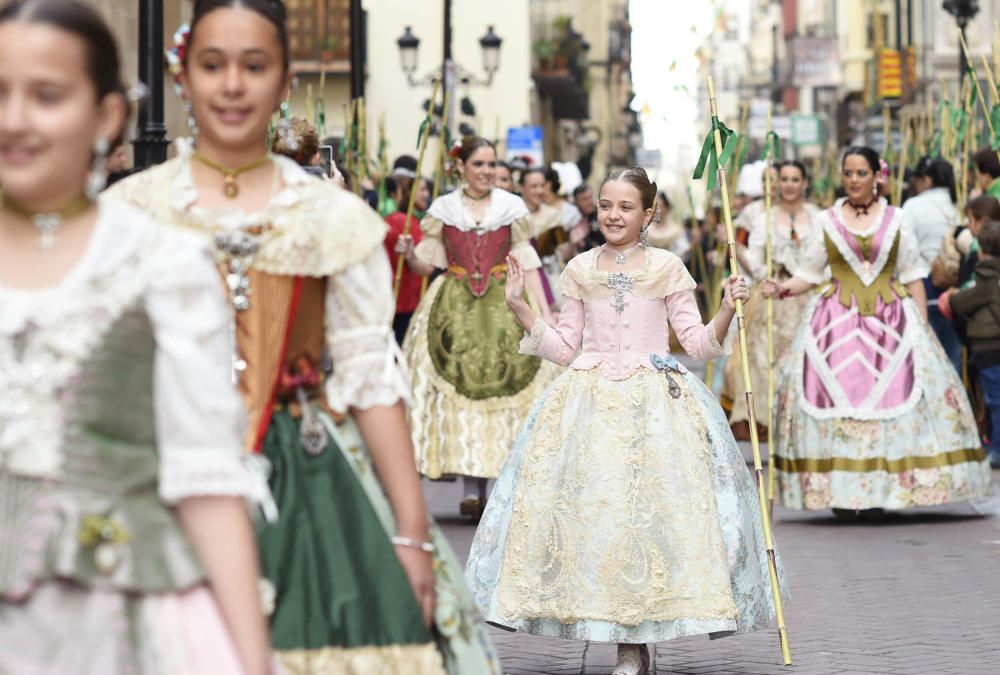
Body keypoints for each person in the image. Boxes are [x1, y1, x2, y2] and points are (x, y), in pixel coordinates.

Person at [108, 2, 498, 672]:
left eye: (254, 66)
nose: (232, 85)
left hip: (305, 473)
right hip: (158, 471)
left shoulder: (331, 218)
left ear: (284, 81)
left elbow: (368, 370)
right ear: (183, 78)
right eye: (212, 65)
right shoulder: (130, 212)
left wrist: (410, 534)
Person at [0, 1, 274, 672]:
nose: (14, 120)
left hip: (105, 618)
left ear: (108, 115)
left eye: (46, 96)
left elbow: (206, 479)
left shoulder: (161, 266)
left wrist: (253, 658)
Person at [466, 167, 786, 675]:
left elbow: (699, 344)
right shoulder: (578, 269)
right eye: (606, 206)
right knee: (596, 517)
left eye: (626, 207)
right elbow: (565, 348)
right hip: (587, 404)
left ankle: (635, 643)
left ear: (648, 214)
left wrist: (726, 308)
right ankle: (602, 624)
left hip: (654, 405)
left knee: (646, 519)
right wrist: (520, 306)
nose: (613, 215)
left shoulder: (668, 268)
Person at [761, 147, 992, 514]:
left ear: (876, 177)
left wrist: (921, 327)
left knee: (898, 400)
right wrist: (781, 288)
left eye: (861, 173)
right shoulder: (827, 220)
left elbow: (914, 274)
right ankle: (840, 492)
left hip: (893, 321)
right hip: (834, 323)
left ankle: (886, 491)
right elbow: (809, 272)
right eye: (848, 173)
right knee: (838, 402)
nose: (853, 180)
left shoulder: (898, 218)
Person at [396, 136, 556, 520]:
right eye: (479, 164)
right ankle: (470, 490)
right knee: (458, 392)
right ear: (461, 167)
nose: (486, 172)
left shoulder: (512, 208)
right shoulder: (443, 208)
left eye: (490, 165)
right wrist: (409, 254)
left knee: (509, 384)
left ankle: (500, 485)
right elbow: (426, 265)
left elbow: (527, 262)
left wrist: (545, 315)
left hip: (505, 302)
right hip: (453, 305)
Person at [727, 160, 820, 438]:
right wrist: (763, 273)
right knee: (762, 359)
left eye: (795, 179)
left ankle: (802, 419)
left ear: (804, 183)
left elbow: (823, 255)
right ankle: (767, 420)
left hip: (807, 297)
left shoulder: (818, 216)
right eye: (785, 179)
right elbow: (751, 252)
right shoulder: (763, 218)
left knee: (804, 358)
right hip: (769, 297)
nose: (789, 185)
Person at [944, 220, 1000, 469]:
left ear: (982, 251)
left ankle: (997, 449)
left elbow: (962, 303)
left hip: (988, 346)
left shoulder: (986, 276)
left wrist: (953, 297)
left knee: (994, 401)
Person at [903, 157, 962, 372]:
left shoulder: (913, 206)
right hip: (957, 281)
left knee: (928, 345)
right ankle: (957, 399)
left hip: (924, 281)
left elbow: (904, 247)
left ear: (927, 180)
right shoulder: (959, 204)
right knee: (953, 348)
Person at [385, 174, 431, 343]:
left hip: (390, 302)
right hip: (406, 302)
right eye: (422, 190)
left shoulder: (390, 219)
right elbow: (426, 265)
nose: (427, 194)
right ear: (407, 193)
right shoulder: (407, 223)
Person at [521, 166, 566, 307]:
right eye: (534, 186)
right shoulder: (515, 214)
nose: (539, 191)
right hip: (523, 276)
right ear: (522, 187)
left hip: (549, 274)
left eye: (542, 186)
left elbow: (563, 248)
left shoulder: (553, 214)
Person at [645, 192, 691, 259]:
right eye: (653, 207)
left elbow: (681, 252)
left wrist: (693, 245)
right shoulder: (647, 230)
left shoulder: (675, 231)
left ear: (667, 208)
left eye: (659, 207)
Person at [569, 182, 605, 253]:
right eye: (584, 199)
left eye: (590, 197)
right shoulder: (573, 222)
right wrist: (573, 243)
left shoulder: (602, 215)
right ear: (575, 202)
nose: (589, 202)